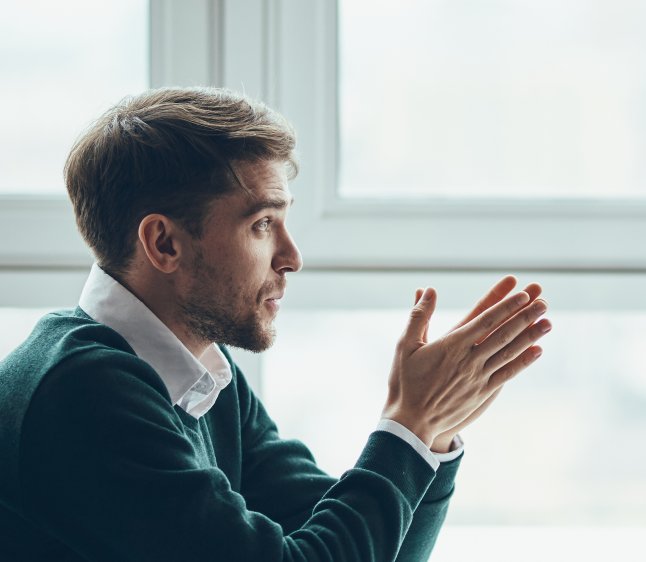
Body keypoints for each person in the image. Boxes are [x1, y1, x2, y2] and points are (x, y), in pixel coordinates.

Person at [0, 87, 552, 561]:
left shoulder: (198, 376)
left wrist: (429, 432)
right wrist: (406, 427)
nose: (291, 256)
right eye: (263, 223)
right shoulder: (84, 392)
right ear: (163, 242)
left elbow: (367, 547)